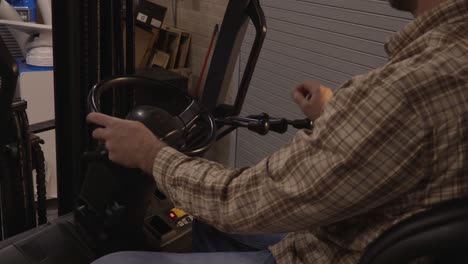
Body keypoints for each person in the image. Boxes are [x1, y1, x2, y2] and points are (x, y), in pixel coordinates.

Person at [88, 0, 468, 263]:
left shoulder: (406, 89)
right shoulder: (449, 65)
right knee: (199, 216)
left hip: (327, 252)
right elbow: (414, 145)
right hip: (368, 231)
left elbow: (241, 203)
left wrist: (150, 154)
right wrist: (333, 114)